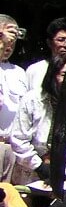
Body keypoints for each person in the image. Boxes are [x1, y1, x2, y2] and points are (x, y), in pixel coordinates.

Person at [9, 59, 66, 184]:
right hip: (29, 168)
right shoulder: (32, 99)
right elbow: (18, 139)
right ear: (52, 75)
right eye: (63, 75)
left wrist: (61, 171)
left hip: (65, 172)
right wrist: (39, 166)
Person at [0, 15, 30, 180]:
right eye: (4, 39)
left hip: (13, 148)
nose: (8, 46)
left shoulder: (19, 72)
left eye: (12, 42)